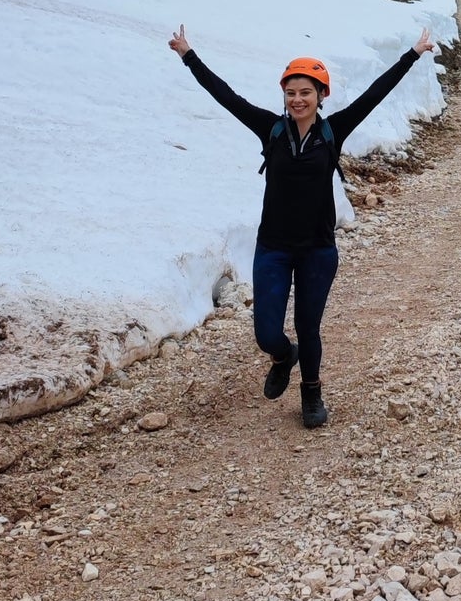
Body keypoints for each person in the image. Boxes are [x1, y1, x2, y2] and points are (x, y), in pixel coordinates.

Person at [169, 24, 437, 427]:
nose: (297, 99)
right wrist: (189, 55)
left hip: (317, 249)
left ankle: (311, 391)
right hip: (273, 247)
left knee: (308, 326)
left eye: (305, 92)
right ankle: (282, 356)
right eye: (291, 92)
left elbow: (376, 93)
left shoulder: (334, 130)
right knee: (266, 333)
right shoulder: (270, 129)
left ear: (321, 96)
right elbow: (224, 96)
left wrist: (412, 54)